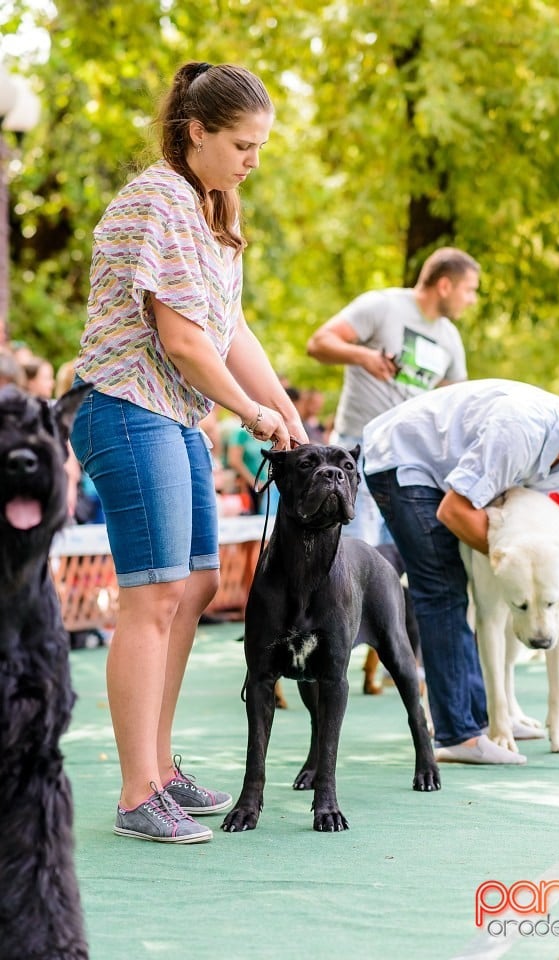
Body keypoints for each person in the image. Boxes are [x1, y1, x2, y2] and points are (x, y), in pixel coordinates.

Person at [69, 61, 307, 843]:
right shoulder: (157, 199)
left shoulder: (212, 206)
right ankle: (139, 790)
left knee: (198, 584)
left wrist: (281, 409)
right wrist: (249, 416)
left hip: (171, 415)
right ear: (195, 131)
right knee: (154, 598)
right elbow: (181, 338)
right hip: (127, 408)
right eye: (242, 144)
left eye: (261, 146)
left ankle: (162, 770)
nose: (252, 160)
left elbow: (230, 330)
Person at [363, 378, 559, 764]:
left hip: (447, 475)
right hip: (404, 459)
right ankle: (458, 733)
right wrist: (509, 565)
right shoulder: (518, 431)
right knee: (444, 587)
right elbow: (454, 511)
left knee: (470, 592)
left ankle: (491, 714)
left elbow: (558, 538)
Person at [306, 247, 479, 544]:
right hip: (357, 453)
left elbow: (456, 405)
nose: (472, 299)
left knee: (397, 560)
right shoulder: (383, 306)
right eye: (469, 290)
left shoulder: (450, 337)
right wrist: (363, 356)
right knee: (356, 552)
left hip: (408, 462)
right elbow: (318, 343)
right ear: (445, 285)